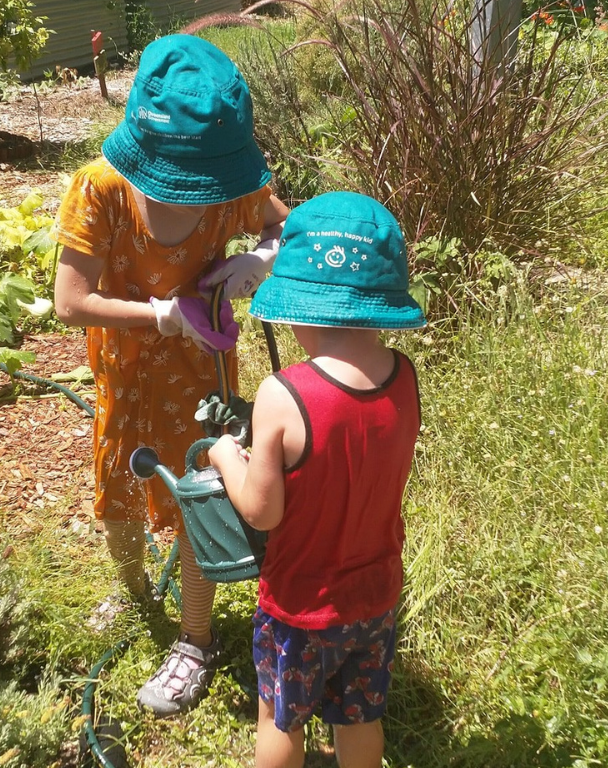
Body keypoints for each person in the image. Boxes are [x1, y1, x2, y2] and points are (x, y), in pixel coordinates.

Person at [52, 33, 289, 717]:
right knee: (119, 485)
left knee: (197, 495)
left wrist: (261, 258)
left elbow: (284, 226)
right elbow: (71, 301)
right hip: (124, 366)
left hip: (202, 371)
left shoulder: (230, 188)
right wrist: (158, 315)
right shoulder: (100, 189)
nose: (195, 195)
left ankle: (195, 639)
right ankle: (132, 591)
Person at [208, 191, 426, 768]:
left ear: (299, 304)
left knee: (281, 718)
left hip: (301, 604)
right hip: (375, 594)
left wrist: (227, 457)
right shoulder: (404, 377)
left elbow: (262, 512)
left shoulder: (284, 394)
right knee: (360, 719)